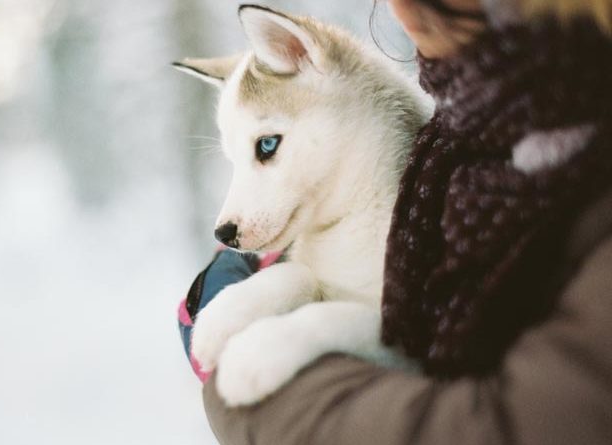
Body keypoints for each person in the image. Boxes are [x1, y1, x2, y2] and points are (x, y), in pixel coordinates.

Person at [180, 0, 612, 443]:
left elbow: (472, 405)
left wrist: (297, 342)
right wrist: (286, 285)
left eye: (266, 146)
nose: (400, 10)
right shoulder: (454, 147)